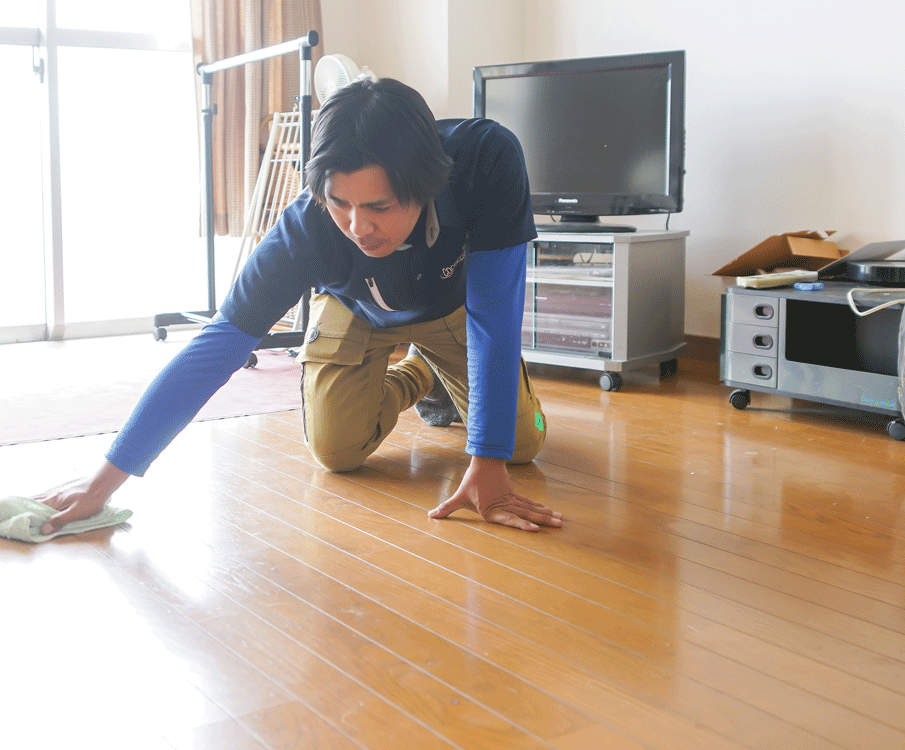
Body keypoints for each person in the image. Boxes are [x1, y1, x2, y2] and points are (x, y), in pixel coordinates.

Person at [37, 77, 563, 533]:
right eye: (340, 203)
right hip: (358, 309)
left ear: (426, 185)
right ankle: (418, 374)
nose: (358, 227)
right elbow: (218, 346)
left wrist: (486, 459)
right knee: (336, 453)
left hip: (453, 307)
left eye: (378, 206)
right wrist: (104, 481)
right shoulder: (306, 231)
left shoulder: (485, 161)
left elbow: (494, 317)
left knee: (516, 447)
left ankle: (435, 364)